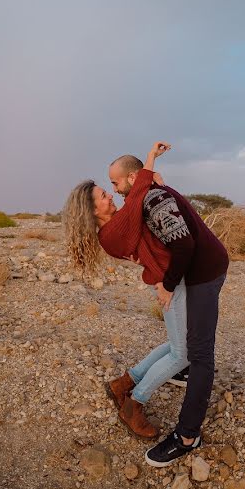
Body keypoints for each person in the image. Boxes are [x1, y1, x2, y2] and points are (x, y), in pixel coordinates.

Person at [104, 149, 229, 468]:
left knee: (199, 355)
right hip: (201, 269)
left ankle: (187, 436)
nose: (115, 190)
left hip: (203, 273)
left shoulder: (151, 200)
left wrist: (168, 284)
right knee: (187, 346)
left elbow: (184, 245)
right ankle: (160, 376)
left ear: (132, 178)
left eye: (116, 183)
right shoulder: (147, 193)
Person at [63, 142, 182, 441]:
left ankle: (123, 383)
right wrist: (150, 160)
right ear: (92, 209)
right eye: (104, 194)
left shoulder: (117, 224)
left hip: (168, 279)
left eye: (110, 188)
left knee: (178, 344)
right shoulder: (113, 232)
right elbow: (138, 197)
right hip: (169, 283)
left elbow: (141, 204)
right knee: (183, 353)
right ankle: (135, 402)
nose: (112, 193)